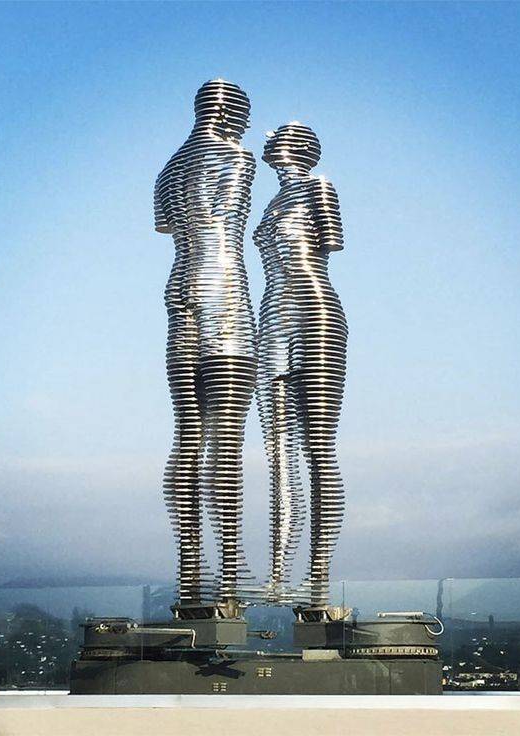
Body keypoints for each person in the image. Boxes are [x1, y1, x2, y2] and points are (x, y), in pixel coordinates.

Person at [154, 79, 256, 604]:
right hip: (225, 297)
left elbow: (167, 227)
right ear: (231, 112)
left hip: (179, 292)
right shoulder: (237, 157)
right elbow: (227, 222)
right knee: (227, 443)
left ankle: (191, 576)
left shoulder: (168, 167)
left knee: (188, 434)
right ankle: (231, 580)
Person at [254, 122, 347, 607]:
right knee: (278, 458)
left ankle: (318, 581)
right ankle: (277, 575)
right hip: (272, 321)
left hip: (316, 314)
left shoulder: (320, 186)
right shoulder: (271, 202)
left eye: (279, 132)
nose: (267, 135)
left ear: (299, 145)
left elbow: (331, 244)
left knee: (318, 451)